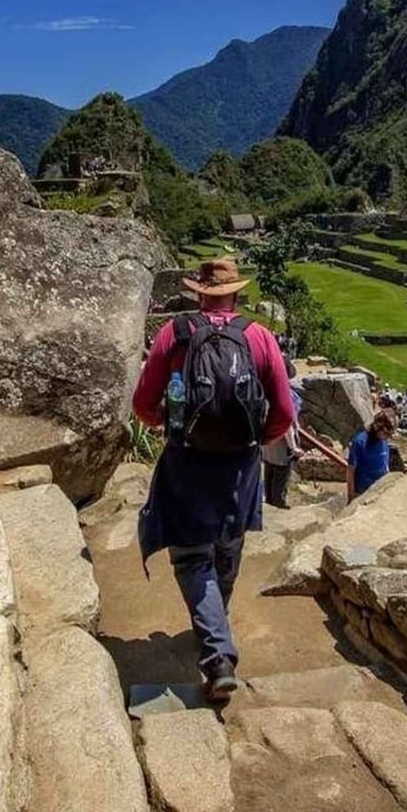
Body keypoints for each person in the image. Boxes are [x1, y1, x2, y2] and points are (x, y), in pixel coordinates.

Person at [133, 259, 295, 704]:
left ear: (199, 293)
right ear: (236, 295)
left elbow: (144, 404)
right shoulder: (258, 337)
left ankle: (217, 654)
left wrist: (166, 423)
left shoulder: (176, 335)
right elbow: (283, 411)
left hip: (187, 460)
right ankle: (215, 625)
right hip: (240, 465)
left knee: (191, 558)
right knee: (228, 547)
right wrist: (254, 440)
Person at [262, 381, 303, 509]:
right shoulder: (284, 399)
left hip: (267, 449)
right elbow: (287, 427)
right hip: (281, 453)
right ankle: (278, 508)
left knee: (269, 481)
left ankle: (270, 505)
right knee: (279, 484)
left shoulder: (264, 397)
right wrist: (294, 448)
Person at [347, 410, 396, 502]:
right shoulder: (360, 442)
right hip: (362, 493)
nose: (387, 437)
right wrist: (351, 496)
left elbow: (385, 464)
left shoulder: (384, 441)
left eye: (389, 434)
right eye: (385, 433)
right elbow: (350, 470)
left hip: (380, 491)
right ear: (376, 427)